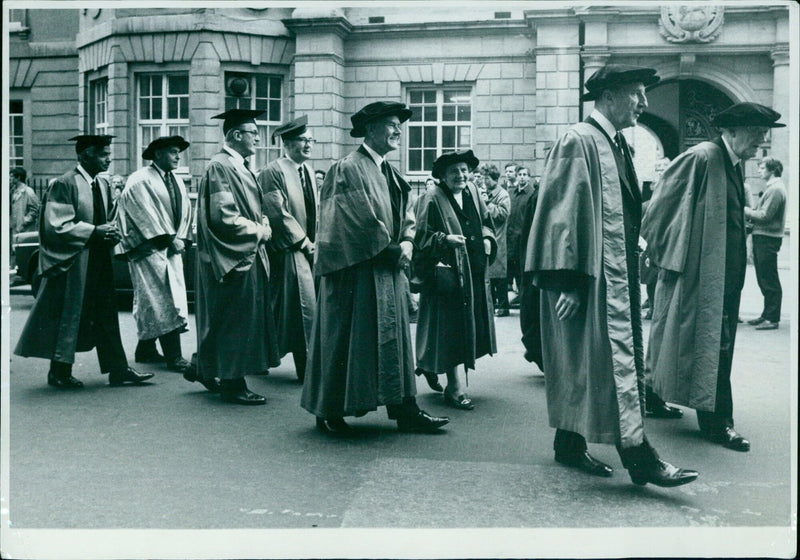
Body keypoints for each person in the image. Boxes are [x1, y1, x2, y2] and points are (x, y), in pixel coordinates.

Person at [526, 64, 698, 487]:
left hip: (610, 276)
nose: (643, 102)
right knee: (603, 365)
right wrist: (566, 281)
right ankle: (640, 458)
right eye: (637, 93)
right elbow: (560, 215)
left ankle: (568, 445)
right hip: (585, 279)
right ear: (609, 96)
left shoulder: (613, 142)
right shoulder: (579, 140)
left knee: (581, 364)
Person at [301, 100, 449, 434]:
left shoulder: (391, 172)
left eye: (399, 125)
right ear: (370, 129)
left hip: (388, 268)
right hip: (355, 272)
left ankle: (405, 408)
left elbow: (408, 216)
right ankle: (328, 411)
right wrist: (394, 248)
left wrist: (408, 241)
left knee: (394, 340)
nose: (398, 130)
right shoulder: (348, 167)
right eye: (391, 125)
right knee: (345, 340)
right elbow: (353, 220)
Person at [643, 102, 785, 452]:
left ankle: (651, 393)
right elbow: (661, 205)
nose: (761, 143)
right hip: (700, 272)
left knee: (685, 338)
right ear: (732, 131)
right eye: (755, 135)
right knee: (712, 346)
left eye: (763, 135)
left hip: (725, 273)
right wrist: (671, 257)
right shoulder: (704, 156)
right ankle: (717, 421)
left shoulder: (732, 162)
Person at [14, 135, 154, 389]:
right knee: (68, 316)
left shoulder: (101, 184)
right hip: (74, 263)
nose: (109, 158)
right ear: (85, 155)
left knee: (106, 314)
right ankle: (58, 372)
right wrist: (94, 231)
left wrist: (110, 231)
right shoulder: (64, 184)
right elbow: (56, 226)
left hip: (99, 260)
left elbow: (106, 218)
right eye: (103, 154)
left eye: (108, 153)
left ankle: (118, 369)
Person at [193, 109, 281, 404]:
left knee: (230, 318)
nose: (258, 137)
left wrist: (263, 223)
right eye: (253, 133)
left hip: (247, 254)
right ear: (235, 135)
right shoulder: (221, 167)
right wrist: (259, 231)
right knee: (234, 320)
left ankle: (203, 368)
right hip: (233, 257)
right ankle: (232, 383)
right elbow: (222, 217)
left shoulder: (238, 165)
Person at [413, 150, 497, 410]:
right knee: (449, 329)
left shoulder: (472, 191)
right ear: (442, 176)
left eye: (464, 170)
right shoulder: (431, 198)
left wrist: (486, 237)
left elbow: (485, 222)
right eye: (454, 172)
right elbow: (420, 236)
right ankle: (454, 387)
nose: (461, 176)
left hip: (472, 272)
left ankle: (429, 365)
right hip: (447, 276)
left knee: (464, 327)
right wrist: (443, 239)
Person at [114, 136, 194, 373]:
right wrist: (169, 238)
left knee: (155, 300)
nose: (178, 156)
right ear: (157, 154)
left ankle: (145, 349)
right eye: (172, 151)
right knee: (162, 298)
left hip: (168, 248)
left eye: (178, 151)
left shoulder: (176, 180)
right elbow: (143, 214)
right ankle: (175, 356)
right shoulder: (140, 180)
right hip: (148, 248)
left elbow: (185, 211)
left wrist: (180, 238)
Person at [258, 115, 318, 381]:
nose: (308, 145)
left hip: (308, 247)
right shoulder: (274, 171)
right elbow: (276, 211)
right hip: (289, 248)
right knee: (303, 306)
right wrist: (303, 241)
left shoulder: (306, 171)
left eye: (310, 140)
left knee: (284, 308)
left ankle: (258, 354)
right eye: (303, 140)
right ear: (289, 142)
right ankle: (307, 367)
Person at [745, 156, 786, 330]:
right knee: (764, 277)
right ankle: (766, 314)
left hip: (768, 238)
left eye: (762, 168)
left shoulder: (776, 189)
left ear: (772, 170)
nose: (759, 170)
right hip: (764, 237)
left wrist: (745, 210)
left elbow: (765, 215)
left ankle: (772, 318)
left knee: (769, 278)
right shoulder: (773, 188)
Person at [481, 164, 511, 317]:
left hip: (498, 238)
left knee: (500, 277)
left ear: (494, 178)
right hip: (488, 238)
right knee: (490, 276)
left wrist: (488, 204)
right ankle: (491, 306)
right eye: (483, 177)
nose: (484, 181)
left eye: (487, 178)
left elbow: (503, 214)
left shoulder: (503, 194)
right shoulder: (486, 192)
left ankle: (504, 306)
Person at [506, 165, 534, 310]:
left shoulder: (532, 194)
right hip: (512, 239)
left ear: (529, 177)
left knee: (524, 275)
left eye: (525, 174)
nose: (522, 177)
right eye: (520, 174)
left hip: (524, 239)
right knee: (514, 271)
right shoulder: (512, 193)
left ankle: (525, 304)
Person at [9, 167, 40, 276]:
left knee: (21, 251)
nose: (9, 179)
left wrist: (24, 221)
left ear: (18, 178)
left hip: (24, 229)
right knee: (14, 250)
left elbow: (35, 209)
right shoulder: (12, 191)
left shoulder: (28, 192)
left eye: (12, 176)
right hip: (14, 227)